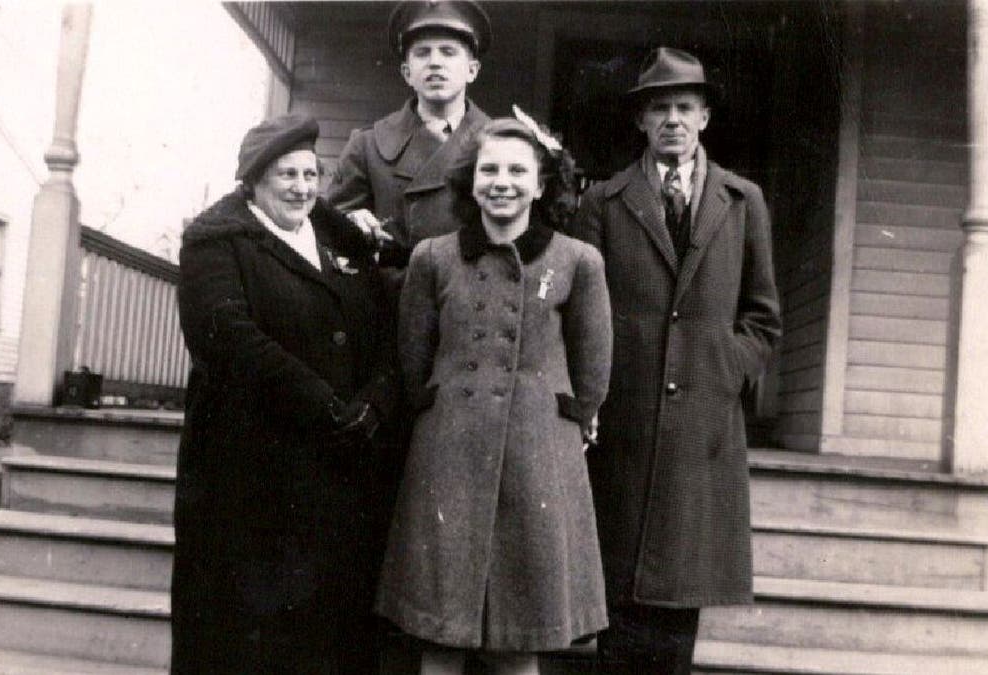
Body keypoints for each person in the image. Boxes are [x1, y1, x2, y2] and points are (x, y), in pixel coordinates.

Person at [569, 47, 782, 674]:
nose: (673, 119)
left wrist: (723, 370)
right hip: (624, 427)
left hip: (701, 430)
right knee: (618, 598)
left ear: (705, 117)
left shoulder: (743, 203)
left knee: (678, 606)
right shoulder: (604, 204)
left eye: (685, 106)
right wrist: (593, 396)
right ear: (640, 121)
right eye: (659, 107)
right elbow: (583, 315)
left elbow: (763, 316)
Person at [377, 117, 612, 675]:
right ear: (470, 181)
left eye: (516, 170)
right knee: (440, 635)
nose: (501, 182)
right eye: (489, 169)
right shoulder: (433, 257)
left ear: (540, 184)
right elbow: (415, 358)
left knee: (517, 639)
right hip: (449, 455)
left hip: (538, 459)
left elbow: (593, 365)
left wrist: (576, 419)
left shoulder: (577, 261)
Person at [171, 114, 398, 674]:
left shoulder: (339, 241)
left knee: (324, 636)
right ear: (252, 182)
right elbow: (232, 342)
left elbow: (387, 333)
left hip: (336, 473)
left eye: (310, 174)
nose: (301, 187)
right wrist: (327, 407)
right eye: (286, 176)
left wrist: (375, 404)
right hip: (249, 478)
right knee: (249, 638)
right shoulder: (216, 245)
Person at [326, 0, 492, 277]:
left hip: (471, 301)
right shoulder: (367, 145)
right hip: (390, 304)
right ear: (407, 73)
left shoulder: (503, 145)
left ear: (472, 70)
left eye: (448, 52)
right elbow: (328, 229)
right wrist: (352, 223)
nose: (435, 62)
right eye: (422, 53)